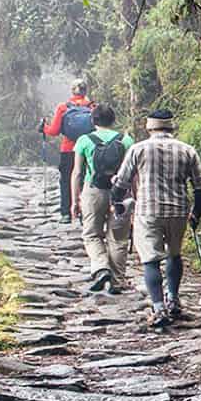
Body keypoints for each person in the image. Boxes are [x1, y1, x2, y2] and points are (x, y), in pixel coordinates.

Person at [112, 108, 201, 327]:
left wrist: (115, 201)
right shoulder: (187, 150)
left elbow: (122, 182)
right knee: (174, 254)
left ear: (149, 126)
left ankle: (158, 308)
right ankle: (173, 300)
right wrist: (196, 213)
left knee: (150, 259)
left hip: (148, 211)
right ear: (172, 126)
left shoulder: (139, 149)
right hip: (179, 210)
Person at [70, 104, 135, 294]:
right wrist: (135, 196)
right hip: (121, 192)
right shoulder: (126, 140)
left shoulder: (84, 140)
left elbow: (77, 173)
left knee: (91, 234)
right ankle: (117, 280)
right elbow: (134, 173)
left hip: (93, 191)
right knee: (119, 238)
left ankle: (101, 268)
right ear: (113, 120)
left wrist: (75, 201)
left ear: (93, 121)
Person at [40, 80, 95, 224]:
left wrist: (44, 127)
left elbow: (54, 131)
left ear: (72, 91)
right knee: (85, 180)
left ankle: (66, 214)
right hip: (88, 149)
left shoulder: (63, 107)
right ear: (85, 91)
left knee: (66, 181)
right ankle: (85, 213)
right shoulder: (93, 107)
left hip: (68, 150)